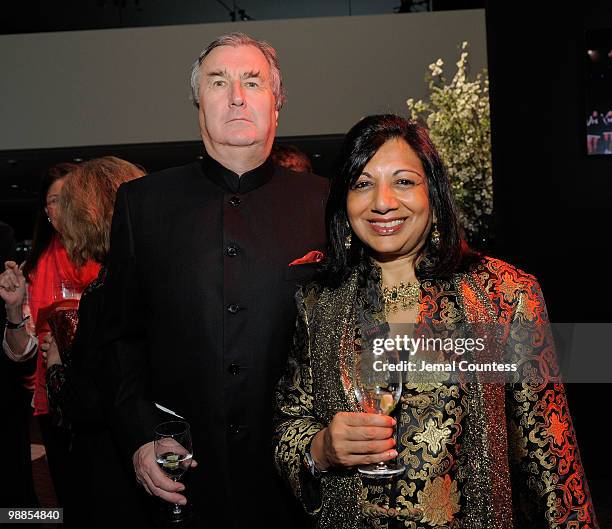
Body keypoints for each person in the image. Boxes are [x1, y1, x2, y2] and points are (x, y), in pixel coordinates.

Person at [273, 114, 598, 528]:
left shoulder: (504, 296)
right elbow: (290, 421)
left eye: (404, 181)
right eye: (363, 183)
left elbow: (552, 460)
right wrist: (319, 449)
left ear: (433, 192)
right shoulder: (318, 303)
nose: (383, 202)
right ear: (344, 202)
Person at [97, 32, 327, 528]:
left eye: (253, 81)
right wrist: (139, 435)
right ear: (198, 101)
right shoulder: (143, 204)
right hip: (184, 478)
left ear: (277, 101)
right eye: (219, 82)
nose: (237, 96)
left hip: (302, 485)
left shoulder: (328, 203)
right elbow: (117, 339)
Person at [38, 157, 147, 527]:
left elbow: (82, 406)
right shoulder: (163, 277)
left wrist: (55, 363)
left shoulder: (105, 293)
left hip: (116, 466)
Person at [0, 163, 100, 506]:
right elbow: (21, 353)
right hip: (54, 406)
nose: (64, 208)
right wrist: (13, 311)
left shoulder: (113, 260)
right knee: (70, 500)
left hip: (108, 400)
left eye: (71, 198)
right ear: (47, 211)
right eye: (55, 200)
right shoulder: (32, 270)